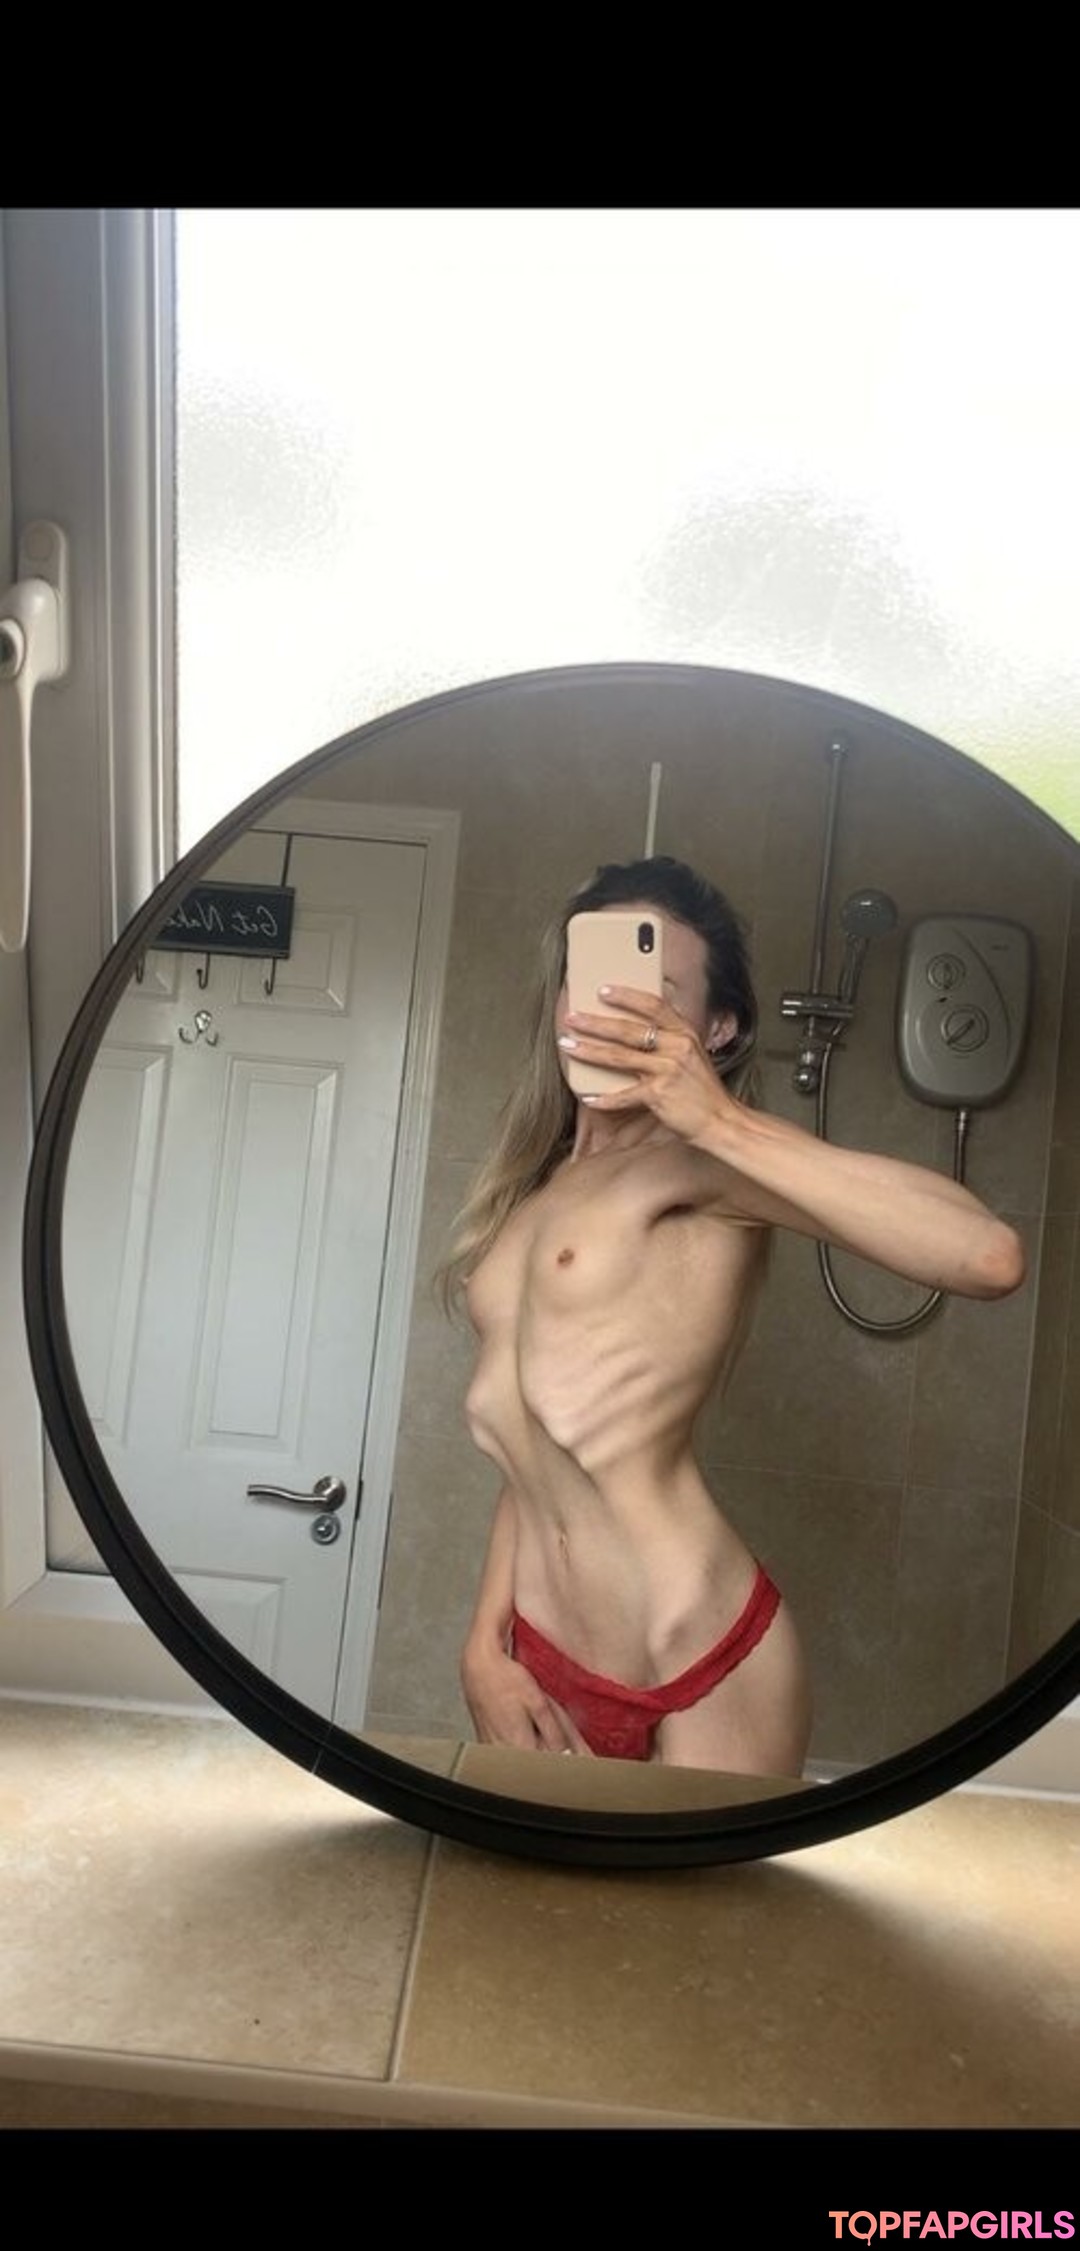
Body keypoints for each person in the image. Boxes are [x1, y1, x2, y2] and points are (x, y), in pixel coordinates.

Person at [443, 858, 1025, 1779]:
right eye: (590, 976)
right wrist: (485, 1639)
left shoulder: (707, 1166)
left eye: (656, 989)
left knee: (707, 1888)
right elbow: (536, 1442)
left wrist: (718, 1120)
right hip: (543, 1647)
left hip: (700, 1656)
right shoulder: (535, 1189)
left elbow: (988, 1255)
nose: (611, 1006)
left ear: (716, 1029)